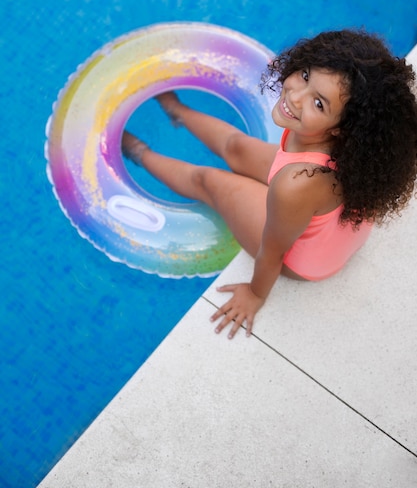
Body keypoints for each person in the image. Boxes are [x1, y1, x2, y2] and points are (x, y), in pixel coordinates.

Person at [122, 29, 417, 339]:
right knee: (237, 146)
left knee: (208, 180)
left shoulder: (296, 184)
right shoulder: (334, 142)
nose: (294, 96)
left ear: (340, 130)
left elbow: (273, 250)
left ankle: (138, 152)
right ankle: (177, 111)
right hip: (331, 225)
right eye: (305, 75)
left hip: (307, 258)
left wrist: (255, 294)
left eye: (319, 103)